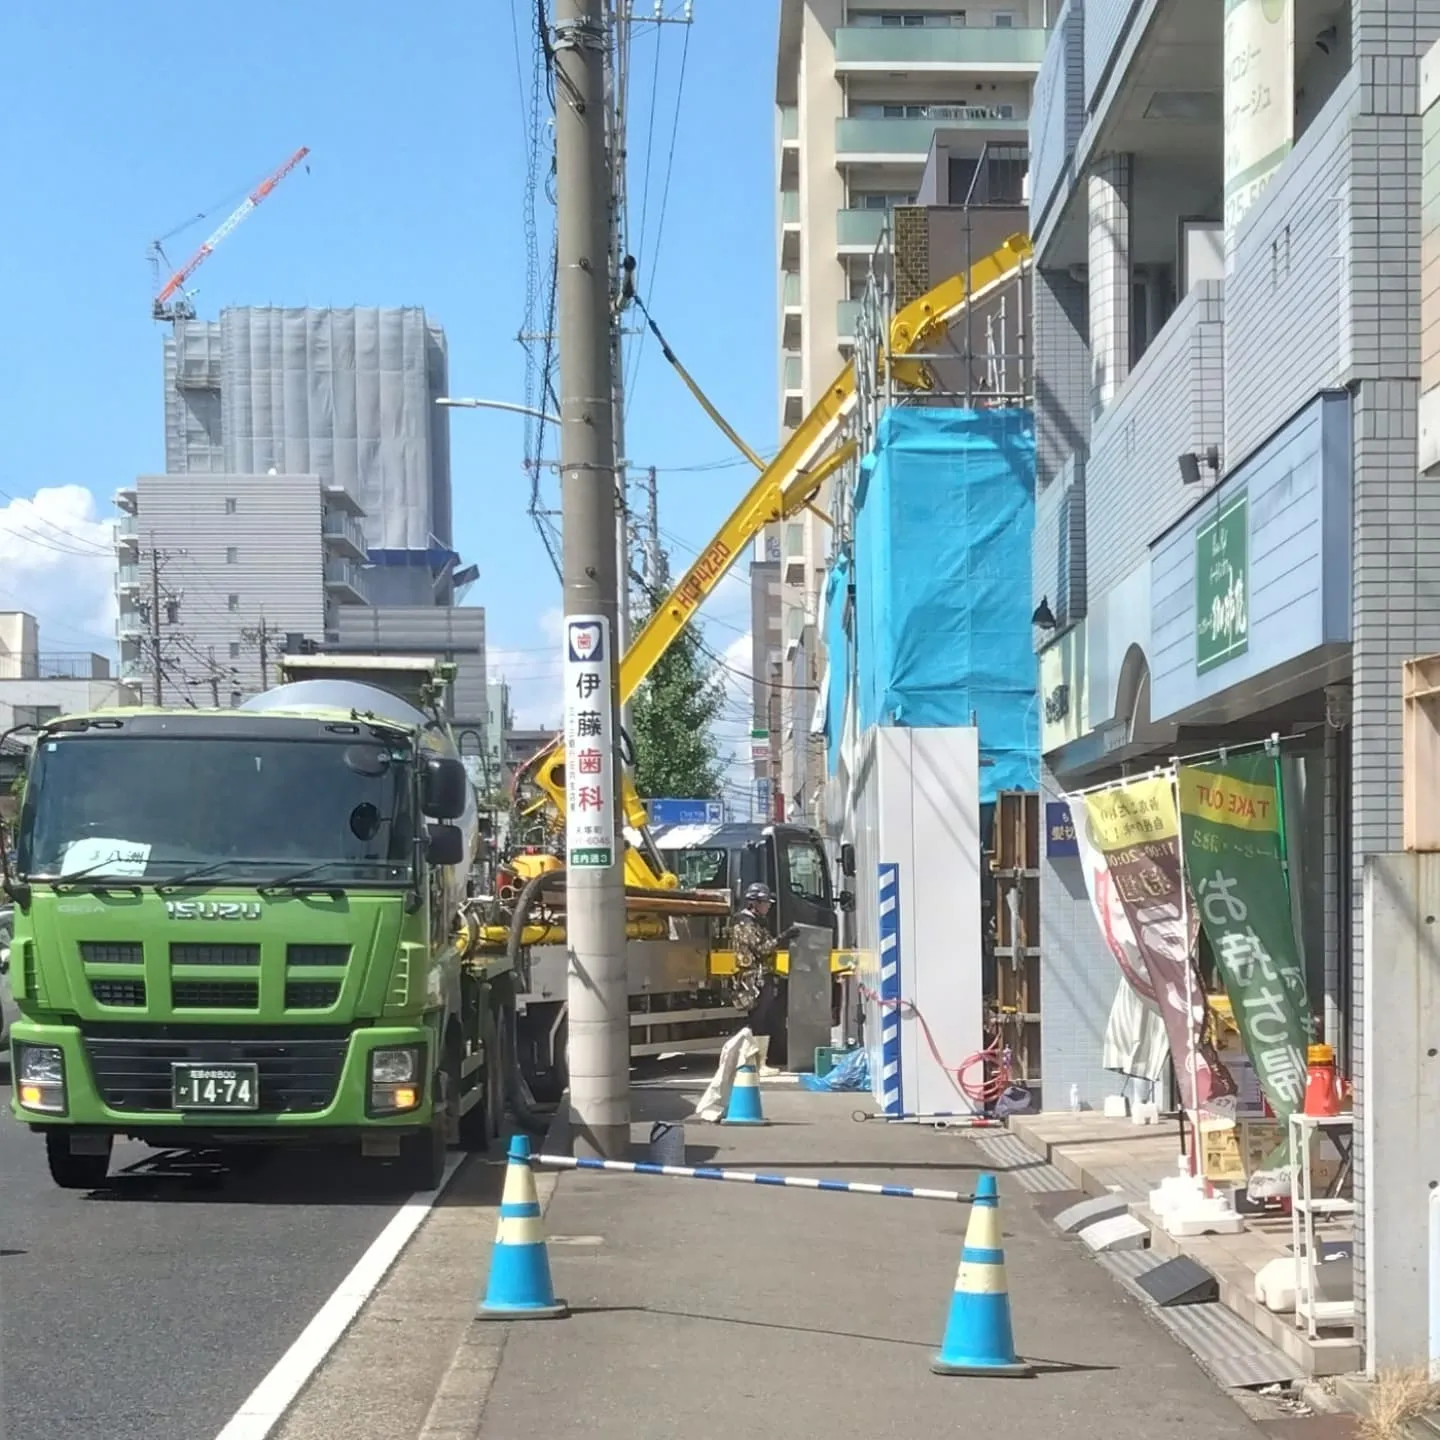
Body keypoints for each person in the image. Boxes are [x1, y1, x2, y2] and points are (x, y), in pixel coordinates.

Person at [730, 882, 799, 1066]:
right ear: (754, 903)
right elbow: (761, 949)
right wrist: (783, 937)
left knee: (766, 1018)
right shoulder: (745, 923)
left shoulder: (757, 921)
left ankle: (762, 1059)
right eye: (765, 902)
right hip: (753, 979)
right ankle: (756, 1062)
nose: (768, 906)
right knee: (758, 1020)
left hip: (763, 977)